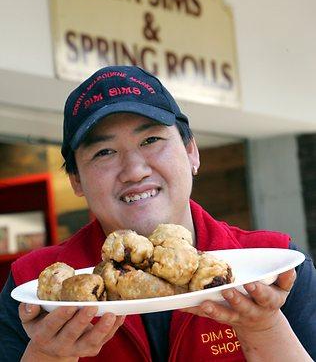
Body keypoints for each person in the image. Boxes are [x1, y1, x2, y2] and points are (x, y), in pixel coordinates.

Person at [0, 65, 315, 362]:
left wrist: (264, 327)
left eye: (151, 140)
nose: (135, 171)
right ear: (76, 181)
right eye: (104, 152)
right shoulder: (34, 290)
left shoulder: (273, 268)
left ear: (191, 151)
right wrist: (47, 356)